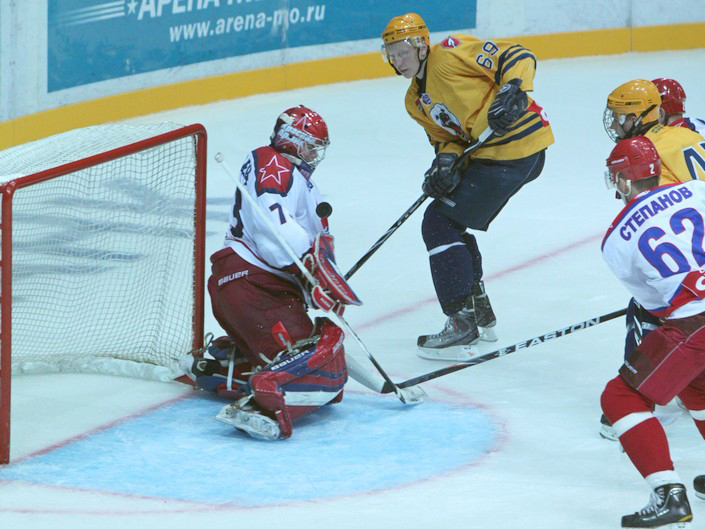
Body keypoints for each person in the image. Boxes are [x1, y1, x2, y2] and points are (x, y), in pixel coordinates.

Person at [181, 105, 423, 440]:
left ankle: (218, 365)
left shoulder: (300, 181)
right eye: (310, 145)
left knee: (321, 364)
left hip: (252, 288)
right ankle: (261, 406)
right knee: (319, 368)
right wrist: (308, 265)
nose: (314, 154)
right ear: (290, 139)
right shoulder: (272, 163)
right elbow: (273, 230)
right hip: (253, 288)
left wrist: (318, 282)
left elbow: (309, 247)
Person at [380, 13, 554, 360]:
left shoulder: (449, 53)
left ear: (421, 46)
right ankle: (477, 310)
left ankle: (462, 321)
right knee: (448, 222)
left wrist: (513, 88)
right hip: (497, 155)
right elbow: (447, 138)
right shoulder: (414, 101)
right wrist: (445, 163)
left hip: (514, 149)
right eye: (392, 55)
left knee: (438, 222)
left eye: (403, 52)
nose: (398, 61)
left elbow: (517, 54)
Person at [600, 136, 705, 528]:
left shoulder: (615, 240)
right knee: (695, 385)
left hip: (695, 321)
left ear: (623, 180)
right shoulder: (697, 190)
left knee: (620, 396)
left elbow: (658, 308)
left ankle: (668, 494)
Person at [600, 79, 705, 440]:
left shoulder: (649, 152)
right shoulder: (687, 133)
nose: (616, 124)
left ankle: (637, 399)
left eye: (622, 117)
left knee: (648, 311)